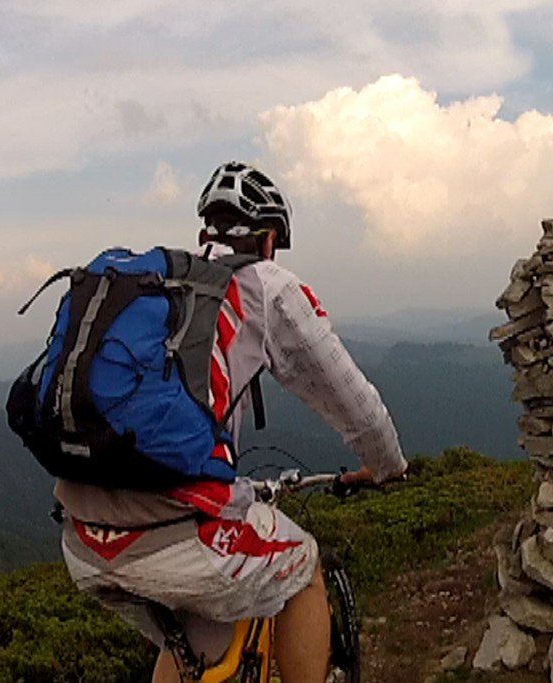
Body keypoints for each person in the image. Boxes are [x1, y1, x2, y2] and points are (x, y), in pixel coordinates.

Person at [56, 161, 407, 683]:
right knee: (304, 569)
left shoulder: (164, 288)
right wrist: (386, 467)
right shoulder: (267, 287)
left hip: (81, 538)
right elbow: (357, 405)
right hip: (176, 530)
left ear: (204, 236)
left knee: (195, 637)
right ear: (269, 241)